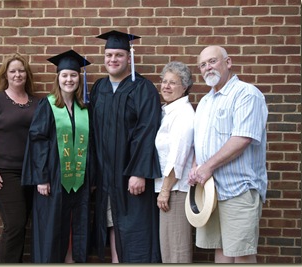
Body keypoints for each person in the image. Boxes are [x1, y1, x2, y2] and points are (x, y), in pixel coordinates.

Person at [188, 45, 268, 263]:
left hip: (238, 188)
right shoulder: (205, 101)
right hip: (211, 191)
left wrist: (207, 167)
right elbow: (200, 142)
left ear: (228, 62)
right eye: (202, 65)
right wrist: (196, 167)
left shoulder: (246, 94)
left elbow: (242, 138)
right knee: (221, 250)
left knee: (241, 253)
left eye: (212, 61)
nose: (207, 68)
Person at [90, 30, 162, 263]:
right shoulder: (99, 88)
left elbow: (147, 131)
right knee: (111, 222)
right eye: (109, 54)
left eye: (118, 55)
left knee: (135, 226)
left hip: (130, 174)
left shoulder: (143, 89)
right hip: (106, 175)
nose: (113, 59)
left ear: (129, 58)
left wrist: (139, 171)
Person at [21, 49, 92, 263]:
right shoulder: (48, 105)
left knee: (75, 223)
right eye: (65, 75)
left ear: (79, 78)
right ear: (58, 78)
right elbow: (37, 141)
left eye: (73, 75)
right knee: (52, 226)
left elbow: (91, 146)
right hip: (52, 177)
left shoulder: (85, 107)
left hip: (79, 179)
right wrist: (41, 177)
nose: (69, 80)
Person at [0, 53, 37, 262]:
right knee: (14, 224)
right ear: (6, 74)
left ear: (27, 74)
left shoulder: (36, 102)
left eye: (21, 70)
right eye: (12, 71)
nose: (17, 74)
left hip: (30, 173)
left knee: (22, 226)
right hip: (4, 172)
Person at [155, 61, 194, 263]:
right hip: (170, 189)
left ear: (185, 87)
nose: (166, 86)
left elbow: (177, 157)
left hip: (176, 191)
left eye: (173, 83)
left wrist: (165, 190)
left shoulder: (184, 115)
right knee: (168, 248)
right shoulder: (168, 111)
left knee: (176, 252)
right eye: (164, 81)